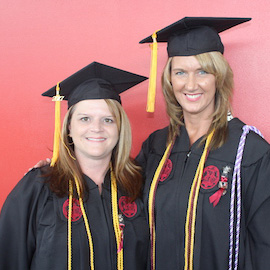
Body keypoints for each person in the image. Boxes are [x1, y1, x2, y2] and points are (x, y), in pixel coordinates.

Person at [137, 17, 270, 270]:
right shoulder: (156, 148)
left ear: (218, 77)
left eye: (202, 72)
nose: (191, 84)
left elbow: (266, 245)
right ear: (169, 80)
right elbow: (118, 203)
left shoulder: (250, 152)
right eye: (180, 73)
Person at [0, 61, 149, 270]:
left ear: (120, 127)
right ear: (69, 127)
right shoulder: (37, 188)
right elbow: (9, 259)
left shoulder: (139, 185)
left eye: (108, 120)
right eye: (85, 119)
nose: (96, 128)